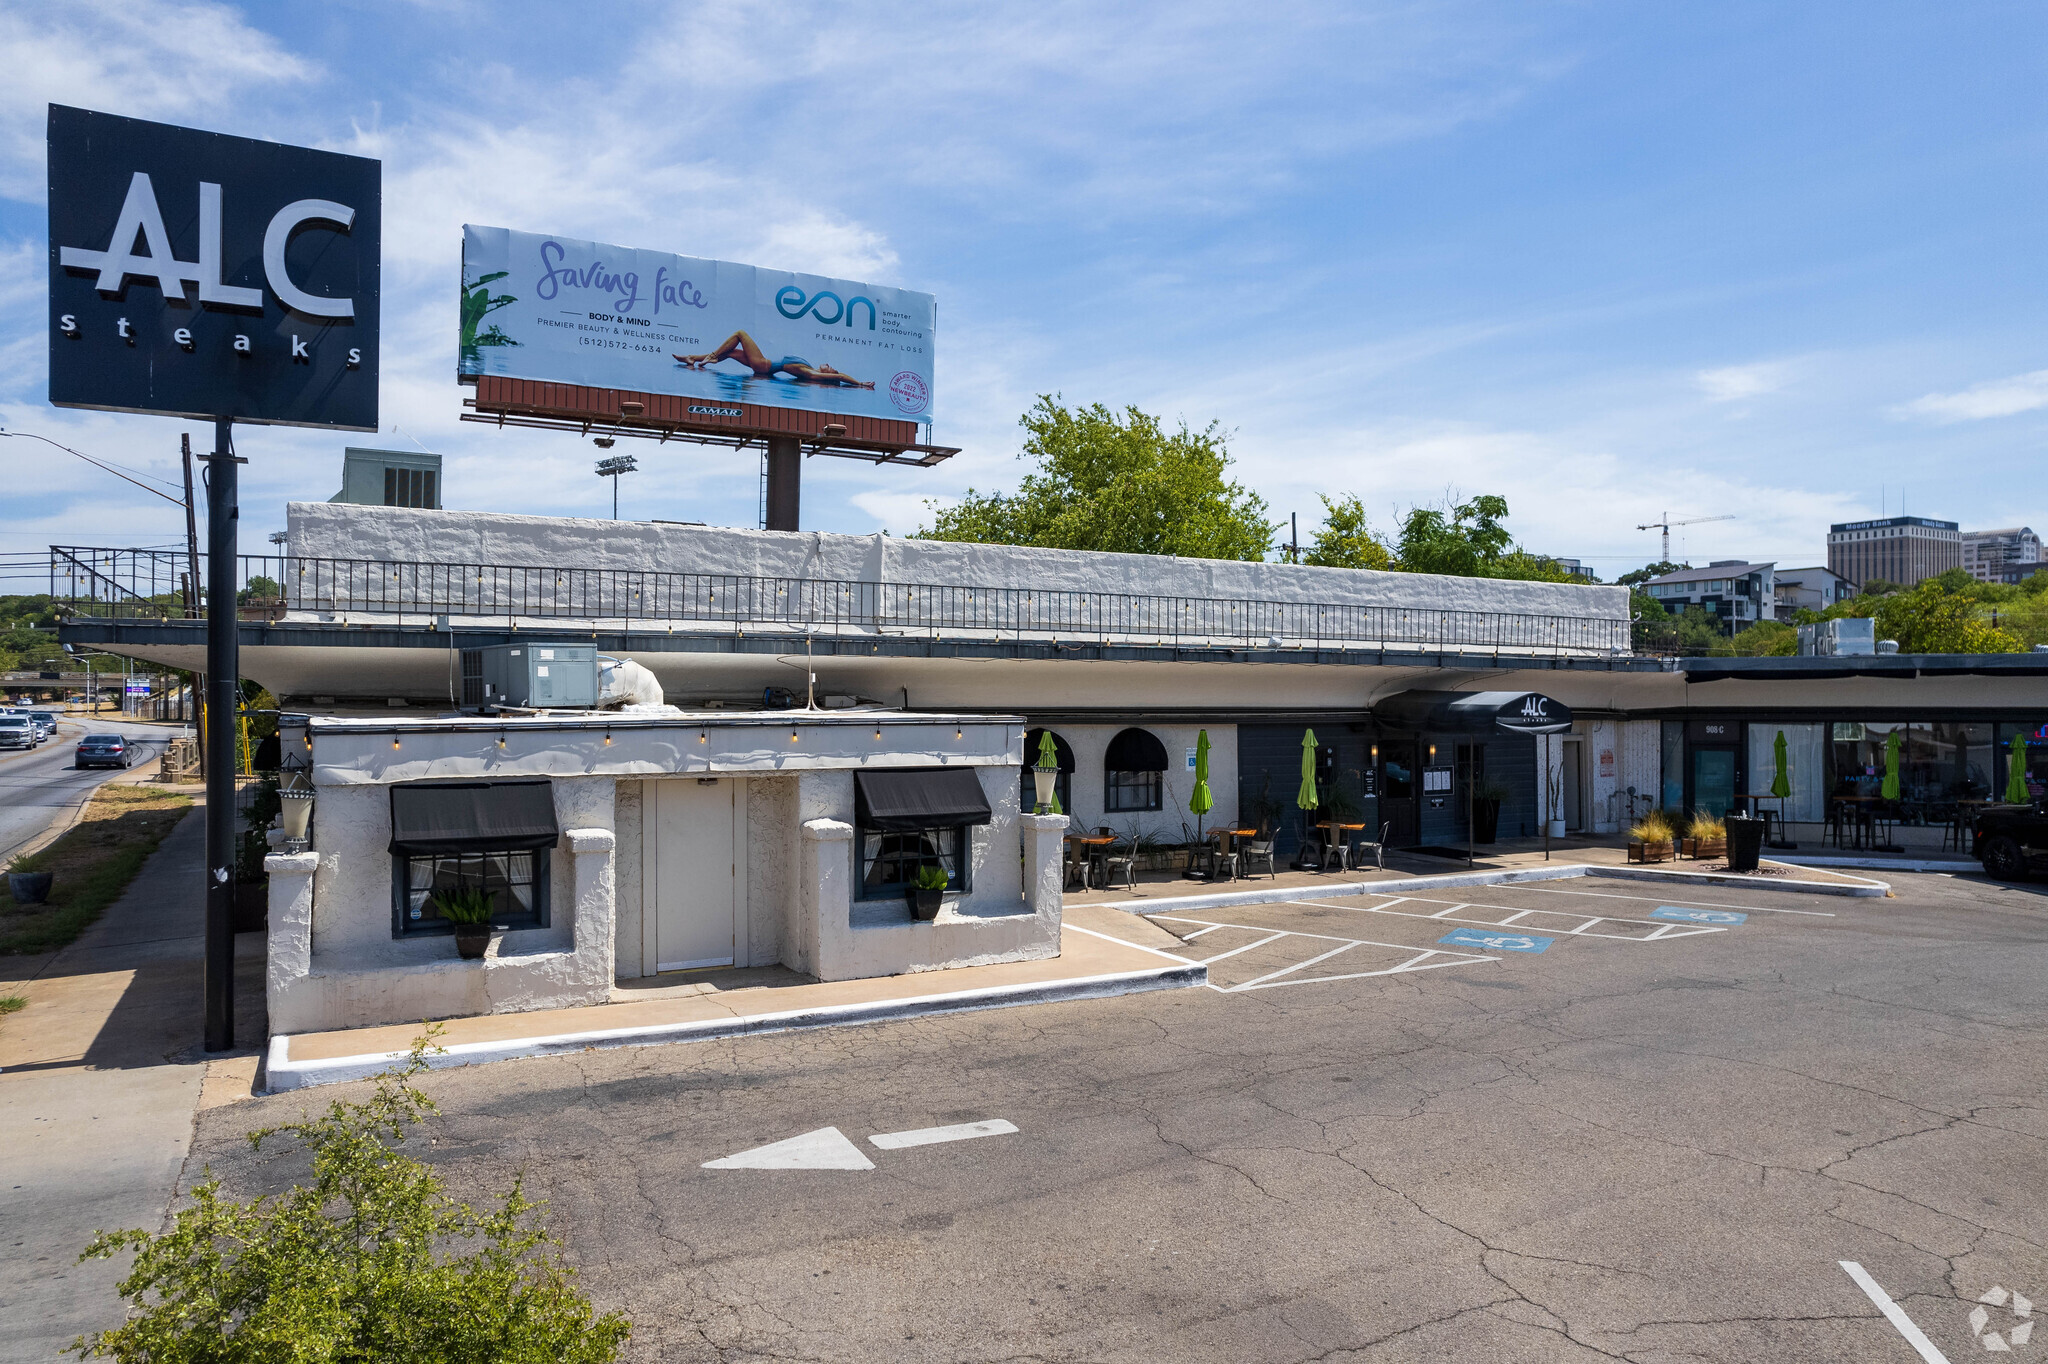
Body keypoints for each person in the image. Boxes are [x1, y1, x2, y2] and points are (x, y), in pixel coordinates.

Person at [674, 331, 873, 388]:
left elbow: (842, 377)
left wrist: (860, 383)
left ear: (828, 376)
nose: (829, 366)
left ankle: (712, 357)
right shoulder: (810, 369)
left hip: (763, 365)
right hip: (763, 365)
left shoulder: (812, 373)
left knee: (740, 334)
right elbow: (839, 377)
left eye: (831, 369)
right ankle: (692, 358)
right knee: (732, 352)